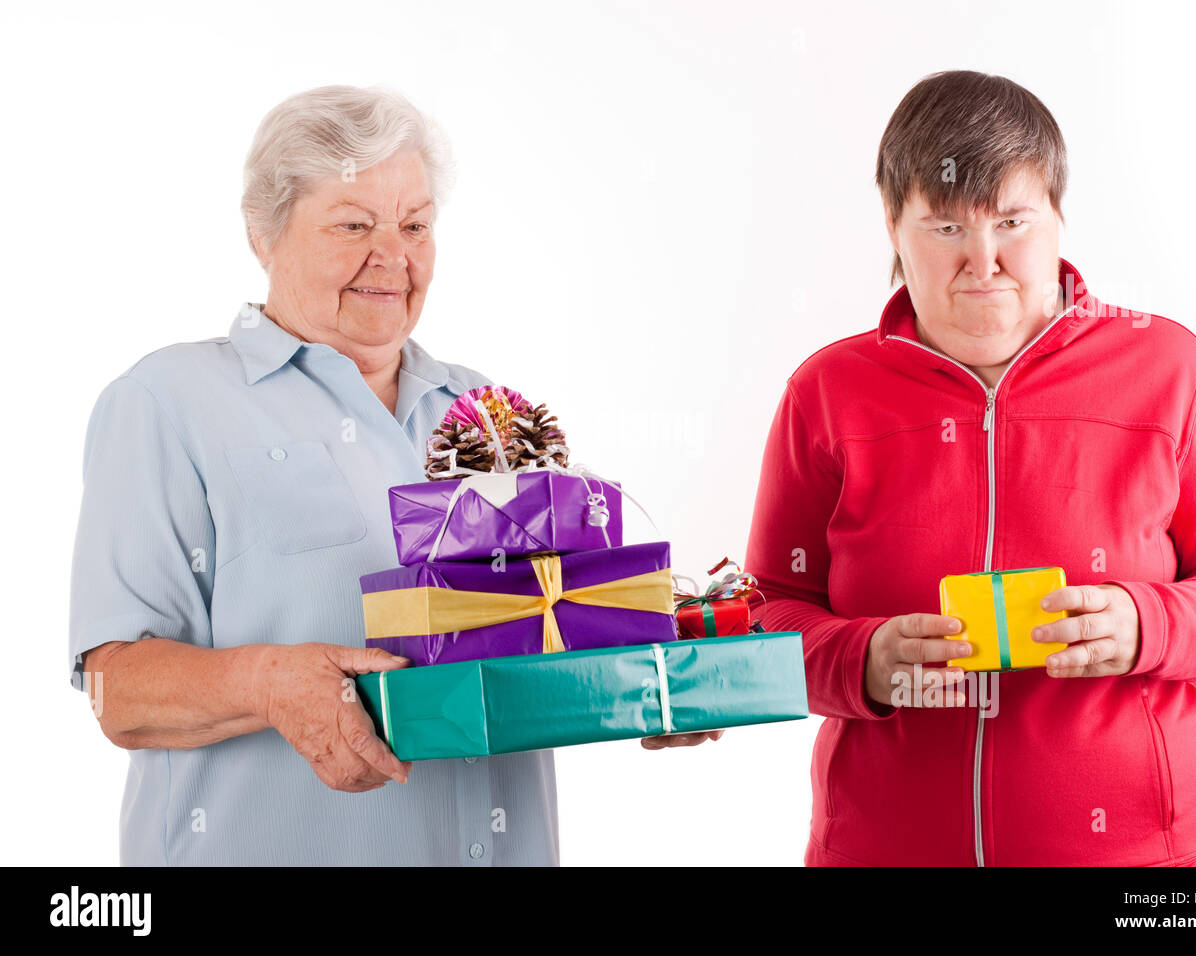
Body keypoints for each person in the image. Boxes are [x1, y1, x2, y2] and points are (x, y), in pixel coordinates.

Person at [69, 84, 713, 867]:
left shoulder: (487, 414)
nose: (393, 256)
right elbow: (118, 691)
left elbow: (545, 623)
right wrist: (272, 682)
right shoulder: (168, 402)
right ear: (262, 232)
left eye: (415, 225)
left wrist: (644, 674)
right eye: (353, 224)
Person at [745, 70, 1196, 866]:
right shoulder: (825, 394)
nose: (984, 262)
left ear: (1057, 217)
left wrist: (1148, 624)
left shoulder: (1171, 370)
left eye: (1012, 221)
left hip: (1146, 859)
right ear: (893, 226)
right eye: (946, 227)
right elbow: (768, 608)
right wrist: (857, 661)